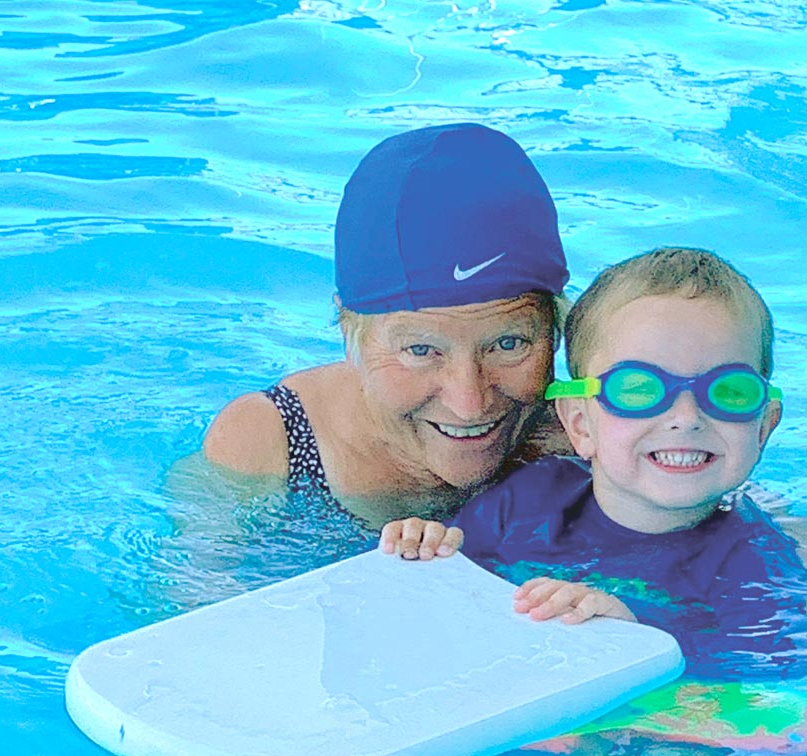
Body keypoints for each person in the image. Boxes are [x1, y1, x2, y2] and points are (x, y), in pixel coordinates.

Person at [381, 246, 807, 675]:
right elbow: (455, 584)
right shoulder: (528, 500)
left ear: (763, 426)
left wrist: (636, 631)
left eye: (729, 392)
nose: (686, 418)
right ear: (580, 424)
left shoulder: (753, 556)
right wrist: (428, 545)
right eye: (638, 390)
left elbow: (778, 656)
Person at [202, 122, 572, 528]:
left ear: (554, 330)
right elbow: (201, 590)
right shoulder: (268, 447)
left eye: (508, 344)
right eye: (420, 351)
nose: (470, 403)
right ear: (350, 334)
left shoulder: (593, 436)